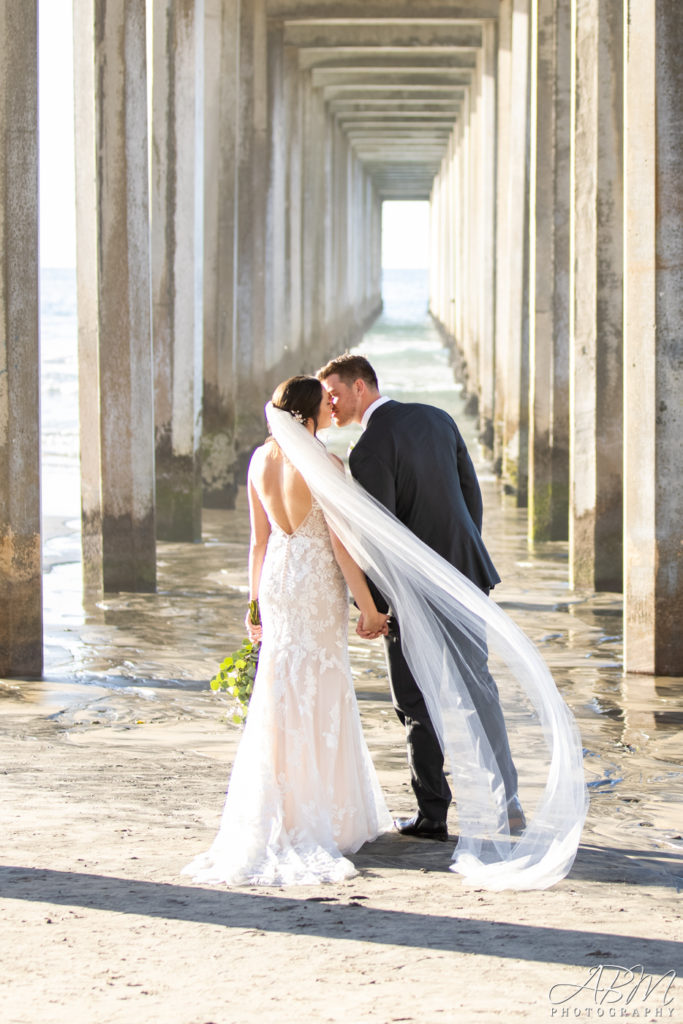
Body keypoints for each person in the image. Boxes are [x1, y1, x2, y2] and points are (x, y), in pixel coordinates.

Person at [183, 376, 392, 887]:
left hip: (277, 579)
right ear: (306, 414)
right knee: (322, 685)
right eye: (325, 402)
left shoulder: (259, 460)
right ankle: (324, 814)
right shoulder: (324, 463)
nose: (332, 405)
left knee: (280, 688)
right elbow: (340, 546)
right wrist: (369, 609)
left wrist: (253, 602)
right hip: (315, 582)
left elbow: (258, 541)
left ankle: (282, 805)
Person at [317, 353, 525, 842]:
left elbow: (379, 538)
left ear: (362, 386)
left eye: (335, 393)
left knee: (414, 700)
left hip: (410, 591)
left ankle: (433, 814)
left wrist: (372, 607)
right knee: (478, 688)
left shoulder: (368, 449)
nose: (331, 403)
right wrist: (461, 557)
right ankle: (508, 803)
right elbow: (470, 497)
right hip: (465, 573)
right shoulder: (437, 417)